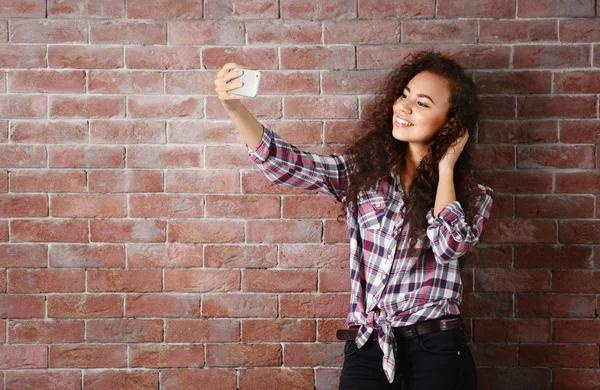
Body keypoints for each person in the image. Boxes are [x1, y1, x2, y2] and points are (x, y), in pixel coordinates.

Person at [214, 51, 494, 390]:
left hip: (436, 347)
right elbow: (286, 164)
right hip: (367, 346)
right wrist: (235, 109)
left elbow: (450, 246)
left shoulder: (474, 196)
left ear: (451, 122)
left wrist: (446, 167)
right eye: (404, 95)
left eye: (422, 103)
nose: (403, 107)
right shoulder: (361, 176)